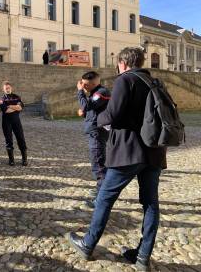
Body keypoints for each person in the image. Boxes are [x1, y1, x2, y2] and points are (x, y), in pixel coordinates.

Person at [67, 48, 167, 272]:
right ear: (141, 61)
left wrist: (95, 118)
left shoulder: (125, 80)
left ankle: (88, 243)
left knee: (104, 197)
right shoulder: (155, 82)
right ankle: (142, 256)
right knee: (150, 203)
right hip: (155, 151)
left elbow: (111, 113)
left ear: (123, 63)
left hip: (129, 151)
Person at [77, 71, 111, 208]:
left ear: (94, 83)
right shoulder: (95, 92)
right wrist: (84, 112)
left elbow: (87, 105)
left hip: (98, 132)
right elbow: (90, 108)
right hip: (95, 131)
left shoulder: (101, 92)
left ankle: (101, 199)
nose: (83, 86)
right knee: (98, 163)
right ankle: (100, 191)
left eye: (85, 84)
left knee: (99, 165)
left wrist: (80, 93)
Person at [0, 81, 28, 166]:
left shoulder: (17, 97)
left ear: (11, 88)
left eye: (8, 88)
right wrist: (15, 107)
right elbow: (6, 110)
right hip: (6, 122)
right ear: (3, 90)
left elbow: (20, 107)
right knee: (9, 140)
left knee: (21, 139)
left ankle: (24, 159)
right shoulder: (1, 99)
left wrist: (10, 106)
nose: (7, 89)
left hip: (16, 121)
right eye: (6, 88)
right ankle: (11, 160)